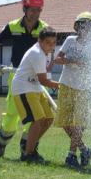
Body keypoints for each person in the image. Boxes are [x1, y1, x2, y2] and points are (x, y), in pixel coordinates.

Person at [0, 0, 48, 157]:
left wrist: (46, 70)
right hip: (16, 76)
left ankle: (26, 147)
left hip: (35, 78)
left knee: (36, 113)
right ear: (25, 9)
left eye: (38, 10)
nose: (35, 14)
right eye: (32, 10)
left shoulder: (44, 29)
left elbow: (50, 50)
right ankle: (2, 142)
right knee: (12, 112)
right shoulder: (12, 26)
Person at [53, 12, 91, 169]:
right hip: (66, 84)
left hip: (83, 88)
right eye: (82, 25)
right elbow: (57, 59)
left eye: (89, 26)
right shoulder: (70, 40)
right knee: (64, 122)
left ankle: (71, 155)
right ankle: (84, 150)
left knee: (77, 123)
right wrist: (72, 60)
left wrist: (85, 65)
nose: (85, 28)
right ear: (77, 26)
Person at [11, 29, 59, 164]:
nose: (51, 46)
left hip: (36, 88)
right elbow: (44, 80)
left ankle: (29, 144)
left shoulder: (46, 53)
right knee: (38, 120)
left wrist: (55, 82)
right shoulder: (37, 54)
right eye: (48, 42)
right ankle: (28, 154)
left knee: (48, 119)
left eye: (54, 43)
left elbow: (46, 75)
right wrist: (61, 85)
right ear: (40, 41)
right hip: (23, 88)